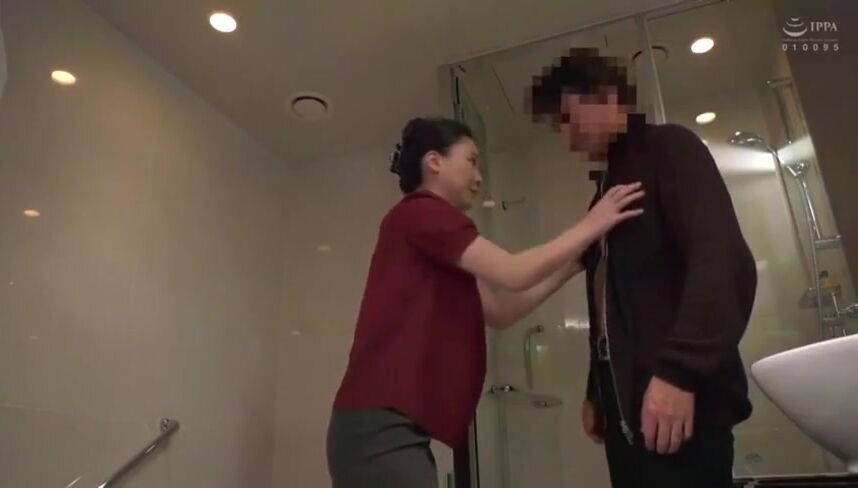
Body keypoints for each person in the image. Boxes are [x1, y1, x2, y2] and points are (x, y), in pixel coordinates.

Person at [327, 116, 644, 487]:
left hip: (381, 428)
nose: (479, 177)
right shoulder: (421, 212)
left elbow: (500, 312)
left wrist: (574, 266)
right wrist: (592, 223)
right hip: (378, 428)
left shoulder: (435, 236)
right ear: (434, 162)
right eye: (472, 161)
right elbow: (514, 271)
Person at [529, 48, 758, 487]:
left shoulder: (669, 147)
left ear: (606, 95)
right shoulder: (605, 196)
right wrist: (597, 389)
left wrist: (679, 372)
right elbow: (609, 306)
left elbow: (723, 261)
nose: (566, 136)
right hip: (627, 415)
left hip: (679, 404)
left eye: (567, 117)